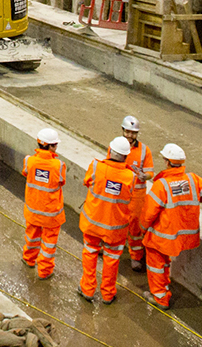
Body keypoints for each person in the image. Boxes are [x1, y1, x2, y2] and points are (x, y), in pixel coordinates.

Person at [140, 143, 202, 307]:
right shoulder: (193, 180)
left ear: (167, 162)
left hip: (164, 235)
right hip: (185, 234)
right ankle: (164, 287)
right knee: (166, 262)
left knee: (156, 262)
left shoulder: (161, 185)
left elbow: (148, 213)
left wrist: (141, 228)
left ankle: (160, 297)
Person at [77, 136, 138, 304]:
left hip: (93, 224)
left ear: (109, 151)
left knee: (90, 255)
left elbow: (87, 181)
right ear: (126, 156)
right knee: (112, 260)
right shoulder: (130, 177)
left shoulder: (96, 166)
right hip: (115, 229)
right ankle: (108, 294)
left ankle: (87, 290)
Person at [21, 127, 66, 279]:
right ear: (52, 146)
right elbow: (61, 181)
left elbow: (26, 173)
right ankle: (44, 271)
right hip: (51, 215)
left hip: (33, 210)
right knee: (48, 245)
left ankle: (29, 259)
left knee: (32, 237)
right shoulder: (58, 166)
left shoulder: (29, 161)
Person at [119, 115, 157, 272]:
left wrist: (144, 176)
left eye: (133, 133)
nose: (130, 136)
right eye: (127, 132)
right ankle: (110, 246)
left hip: (137, 194)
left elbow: (150, 172)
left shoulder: (144, 150)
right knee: (116, 221)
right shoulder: (116, 146)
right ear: (123, 131)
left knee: (135, 225)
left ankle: (135, 256)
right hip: (120, 191)